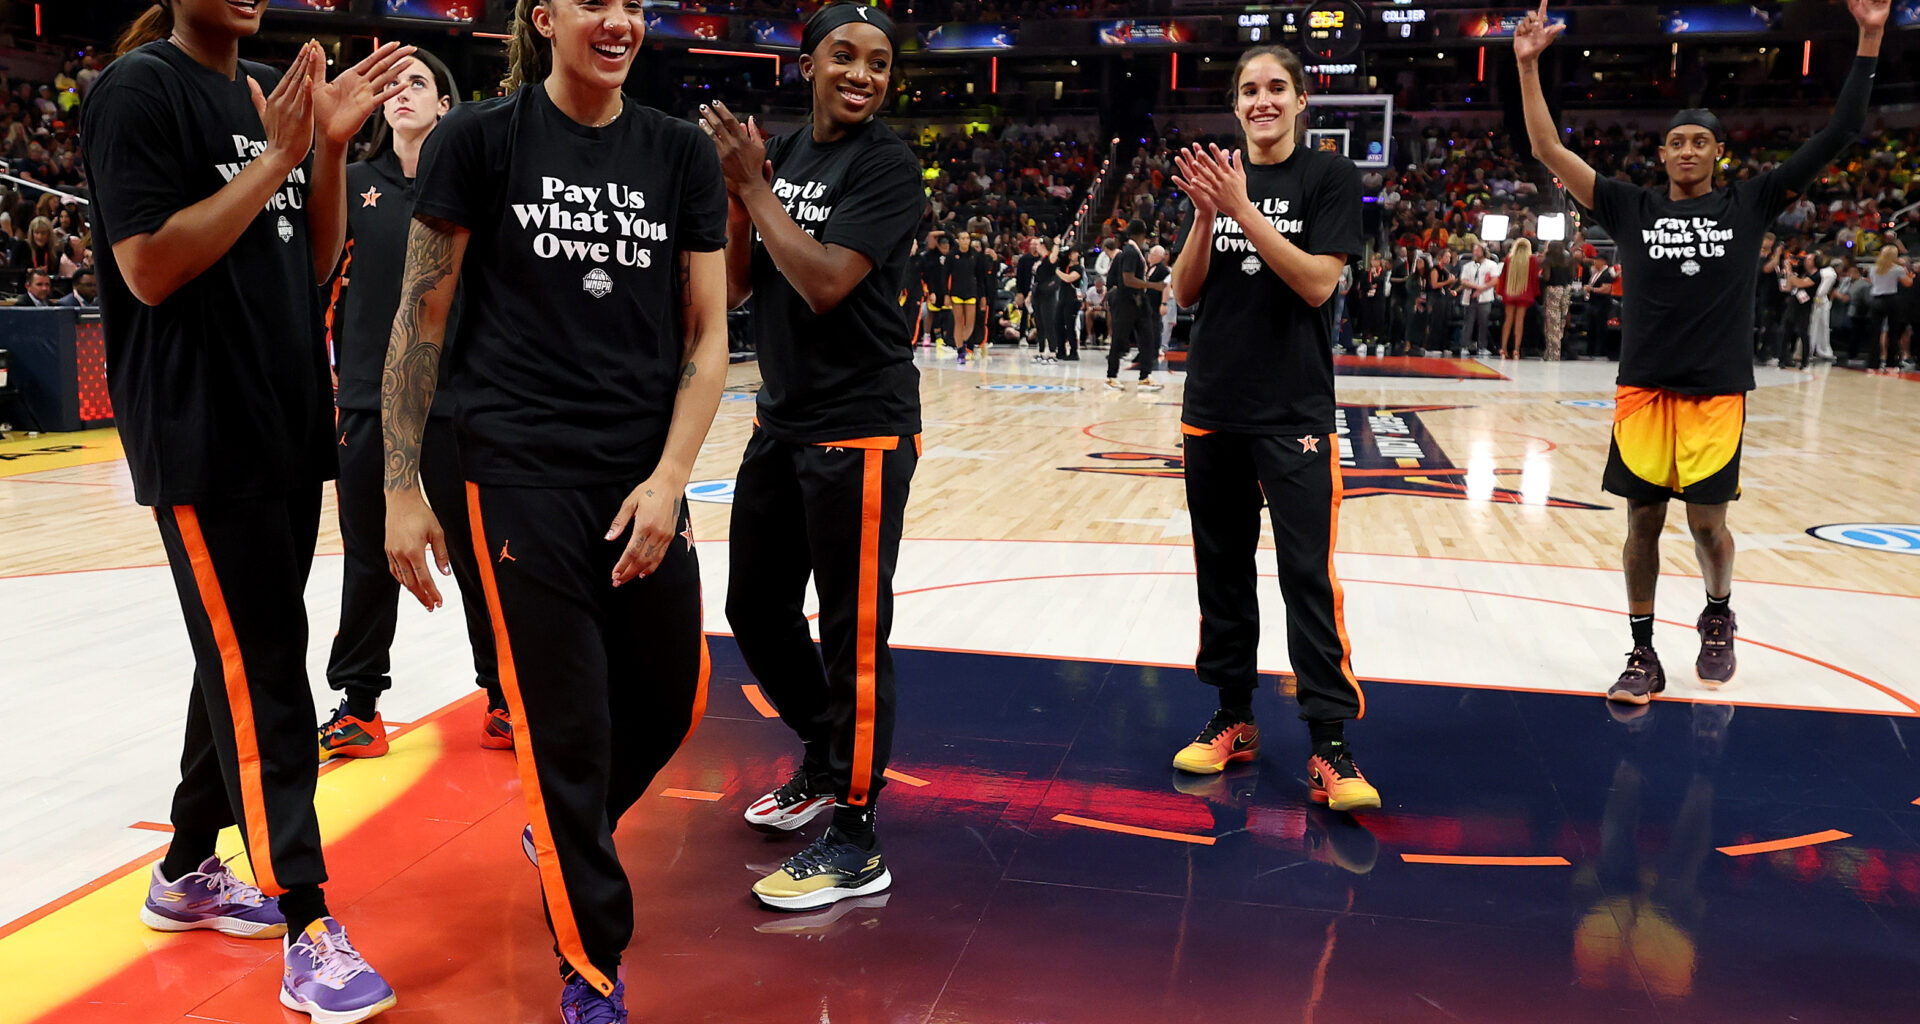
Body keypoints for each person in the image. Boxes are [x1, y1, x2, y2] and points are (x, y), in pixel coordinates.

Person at [383, 0, 729, 1015]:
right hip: (516, 474)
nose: (618, 21)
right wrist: (400, 485)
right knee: (566, 731)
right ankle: (591, 971)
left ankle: (563, 824)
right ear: (545, 17)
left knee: (670, 700)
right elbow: (420, 315)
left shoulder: (678, 152)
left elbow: (708, 335)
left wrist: (671, 477)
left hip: (640, 477)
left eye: (632, 5)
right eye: (594, 3)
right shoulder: (477, 139)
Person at [84, 0, 411, 1018]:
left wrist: (325, 152)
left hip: (281, 417)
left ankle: (187, 865)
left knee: (239, 650)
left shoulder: (261, 91)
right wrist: (275, 160)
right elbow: (147, 268)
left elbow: (310, 263)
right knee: (265, 665)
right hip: (201, 430)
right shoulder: (139, 89)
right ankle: (307, 921)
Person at [1514, 0, 1887, 703]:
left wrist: (1868, 36)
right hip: (1644, 390)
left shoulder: (1751, 202)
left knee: (1708, 525)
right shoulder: (1630, 206)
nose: (1687, 150)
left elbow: (1840, 132)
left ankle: (1718, 611)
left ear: (1719, 153)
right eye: (1676, 142)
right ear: (1662, 155)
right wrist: (1528, 67)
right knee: (1642, 524)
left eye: (1699, 142)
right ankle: (1642, 652)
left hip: (1716, 391)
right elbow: (1548, 150)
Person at [701, 1, 925, 911]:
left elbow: (829, 282)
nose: (863, 74)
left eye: (878, 62)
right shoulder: (785, 154)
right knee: (754, 607)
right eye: (844, 56)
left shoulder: (888, 164)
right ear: (807, 65)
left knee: (852, 633)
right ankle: (830, 760)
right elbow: (740, 282)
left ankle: (857, 838)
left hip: (861, 423)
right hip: (784, 420)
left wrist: (753, 191)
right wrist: (738, 193)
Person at [1166, 45, 1377, 812]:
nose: (1263, 99)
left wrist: (1242, 210)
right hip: (1213, 406)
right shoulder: (1217, 183)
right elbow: (1185, 292)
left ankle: (1330, 745)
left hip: (1293, 412)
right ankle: (1233, 716)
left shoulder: (1329, 176)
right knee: (1221, 574)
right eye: (1249, 89)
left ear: (1301, 100)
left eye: (1277, 87)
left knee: (1306, 579)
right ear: (1235, 104)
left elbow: (1319, 283)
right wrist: (1205, 217)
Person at [318, 47, 507, 762]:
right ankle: (359, 708)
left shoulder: (476, 190)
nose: (402, 93)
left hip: (458, 400)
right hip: (369, 401)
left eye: (418, 83)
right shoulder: (350, 183)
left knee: (481, 557)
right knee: (369, 559)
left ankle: (505, 698)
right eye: (392, 84)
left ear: (445, 105)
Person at [1105, 219, 1163, 391]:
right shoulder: (1130, 252)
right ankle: (1111, 377)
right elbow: (1128, 280)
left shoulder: (1134, 251)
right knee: (1119, 339)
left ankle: (1145, 377)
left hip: (1138, 301)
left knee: (1148, 338)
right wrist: (1153, 285)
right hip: (1126, 301)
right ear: (1141, 234)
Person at [1457, 242, 1500, 357]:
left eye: (1478, 251)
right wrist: (1476, 287)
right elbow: (1464, 281)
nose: (1475, 253)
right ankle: (1464, 346)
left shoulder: (1491, 265)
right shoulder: (1467, 266)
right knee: (1468, 322)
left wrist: (1481, 289)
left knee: (1483, 323)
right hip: (1470, 297)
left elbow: (1494, 280)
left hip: (1485, 297)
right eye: (1474, 251)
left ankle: (1482, 347)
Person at [1541, 240, 1574, 360]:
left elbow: (1546, 277)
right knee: (1561, 322)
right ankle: (1554, 350)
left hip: (1553, 290)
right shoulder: (1568, 260)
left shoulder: (1548, 260)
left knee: (1552, 322)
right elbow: (1572, 276)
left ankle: (1553, 353)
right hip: (1566, 290)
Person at [1582, 253, 1618, 359]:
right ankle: (1590, 350)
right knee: (1591, 328)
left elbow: (1606, 289)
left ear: (1603, 261)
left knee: (1600, 328)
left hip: (1601, 305)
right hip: (1593, 303)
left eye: (1597, 260)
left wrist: (1591, 289)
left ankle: (1600, 350)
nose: (1594, 262)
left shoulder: (1607, 274)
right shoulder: (1596, 273)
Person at [1055, 247, 1084, 361]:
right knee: (1058, 324)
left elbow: (1068, 278)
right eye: (1072, 253)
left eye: (1075, 253)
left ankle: (1073, 351)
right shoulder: (1065, 266)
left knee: (1070, 325)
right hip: (1062, 298)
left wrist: (1056, 271)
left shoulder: (1078, 268)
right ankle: (1060, 350)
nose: (1074, 255)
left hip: (1072, 300)